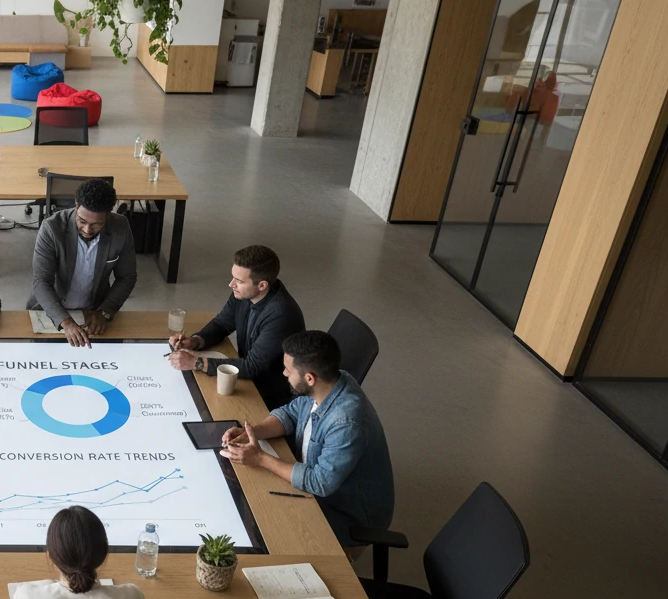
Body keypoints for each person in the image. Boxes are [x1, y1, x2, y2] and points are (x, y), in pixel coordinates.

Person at [220, 330, 394, 550]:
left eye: (288, 370)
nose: (284, 373)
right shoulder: (331, 382)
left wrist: (261, 459)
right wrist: (252, 433)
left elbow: (319, 482)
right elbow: (291, 413)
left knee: (264, 518)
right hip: (320, 482)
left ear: (309, 378)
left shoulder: (345, 423)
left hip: (348, 513)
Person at [168, 245, 305, 410]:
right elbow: (222, 323)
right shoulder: (245, 293)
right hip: (245, 377)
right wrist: (195, 341)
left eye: (239, 281)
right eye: (233, 277)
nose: (231, 284)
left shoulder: (281, 315)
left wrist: (196, 363)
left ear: (262, 285)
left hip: (267, 394)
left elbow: (252, 366)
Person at [4, 506, 145, 599]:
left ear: (50, 555)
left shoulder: (27, 598)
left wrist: (45, 586)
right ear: (105, 552)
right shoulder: (133, 598)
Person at [28, 179, 137, 347]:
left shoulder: (121, 228)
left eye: (96, 224)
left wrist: (105, 312)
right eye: (82, 221)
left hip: (94, 311)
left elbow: (127, 277)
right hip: (52, 311)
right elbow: (41, 281)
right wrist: (65, 322)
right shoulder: (51, 229)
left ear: (108, 214)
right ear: (76, 205)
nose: (87, 230)